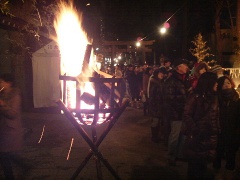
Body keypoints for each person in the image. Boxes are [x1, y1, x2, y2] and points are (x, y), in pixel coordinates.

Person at [182, 72, 220, 180]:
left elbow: (215, 117)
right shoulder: (195, 96)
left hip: (209, 137)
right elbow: (187, 115)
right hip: (198, 138)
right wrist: (196, 130)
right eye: (215, 81)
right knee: (195, 167)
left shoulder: (214, 97)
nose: (217, 84)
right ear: (209, 82)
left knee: (203, 166)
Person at [0, 73, 30, 179]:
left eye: (2, 82)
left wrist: (2, 104)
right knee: (6, 154)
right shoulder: (2, 94)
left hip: (10, 130)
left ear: (9, 83)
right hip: (3, 129)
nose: (0, 84)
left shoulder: (15, 96)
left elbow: (12, 114)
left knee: (4, 154)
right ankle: (24, 166)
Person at [163, 58, 191, 166]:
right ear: (179, 67)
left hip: (184, 111)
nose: (187, 67)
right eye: (185, 65)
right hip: (176, 112)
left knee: (182, 135)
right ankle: (171, 156)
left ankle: (179, 154)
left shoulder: (184, 79)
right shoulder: (172, 80)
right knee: (175, 135)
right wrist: (183, 100)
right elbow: (169, 98)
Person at [213, 76, 240, 178]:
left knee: (231, 151)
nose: (226, 85)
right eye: (224, 84)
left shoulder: (236, 98)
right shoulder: (217, 98)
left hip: (232, 129)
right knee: (218, 150)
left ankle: (230, 170)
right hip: (219, 128)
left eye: (228, 83)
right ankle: (216, 169)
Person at [148, 67, 167, 143]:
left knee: (158, 121)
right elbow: (152, 97)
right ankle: (154, 137)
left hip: (159, 105)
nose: (162, 75)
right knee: (155, 121)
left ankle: (156, 136)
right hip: (156, 106)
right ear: (156, 74)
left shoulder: (160, 82)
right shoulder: (155, 83)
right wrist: (154, 106)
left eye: (162, 73)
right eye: (160, 73)